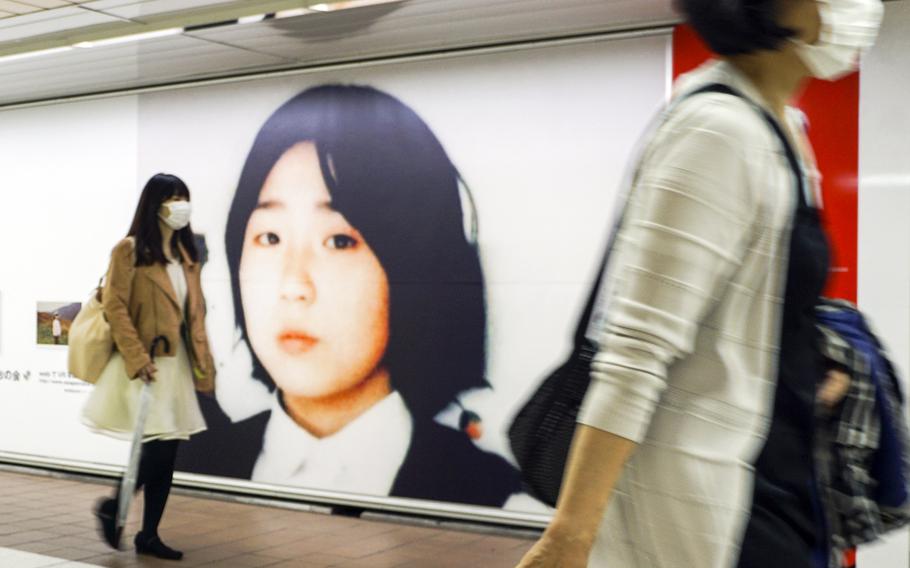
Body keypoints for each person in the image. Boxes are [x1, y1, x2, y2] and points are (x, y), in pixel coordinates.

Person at [515, 1, 883, 567]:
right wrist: (569, 538)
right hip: (713, 500)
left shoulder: (782, 127)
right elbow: (635, 351)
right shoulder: (719, 132)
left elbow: (755, 316)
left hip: (782, 473)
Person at [176, 84, 522, 507]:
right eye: (270, 237)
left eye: (339, 241)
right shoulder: (198, 468)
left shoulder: (491, 499)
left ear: (415, 262)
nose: (294, 286)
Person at [82, 173, 216, 561]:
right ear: (155, 204)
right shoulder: (129, 251)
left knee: (167, 452)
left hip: (176, 366)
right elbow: (115, 306)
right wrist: (137, 356)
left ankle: (148, 533)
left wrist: (204, 364)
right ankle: (113, 505)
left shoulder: (187, 256)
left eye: (184, 198)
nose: (180, 206)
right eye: (173, 198)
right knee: (156, 450)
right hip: (145, 363)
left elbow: (196, 316)